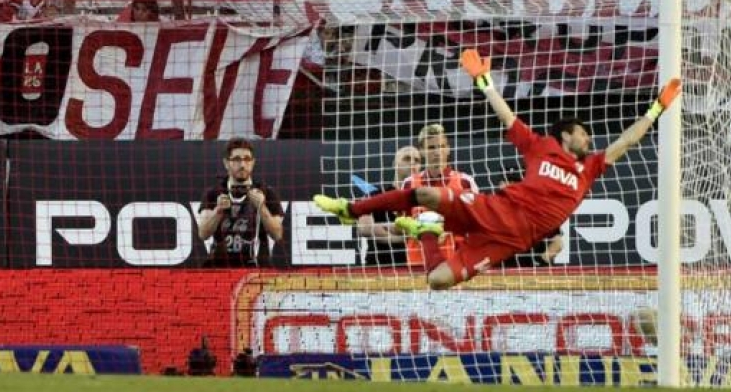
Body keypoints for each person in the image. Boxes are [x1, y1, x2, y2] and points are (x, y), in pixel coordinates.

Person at [315, 48, 681, 290]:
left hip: (509, 242)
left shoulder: (590, 169)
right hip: (495, 208)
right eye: (583, 134)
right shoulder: (541, 147)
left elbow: (626, 141)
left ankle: (426, 231)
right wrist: (484, 81)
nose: (589, 140)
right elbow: (507, 116)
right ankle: (351, 208)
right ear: (567, 135)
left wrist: (656, 110)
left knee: (438, 281)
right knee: (423, 193)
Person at [197, 138, 284, 267]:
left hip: (256, 268)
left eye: (247, 159)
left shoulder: (267, 192)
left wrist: (262, 208)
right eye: (236, 159)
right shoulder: (214, 193)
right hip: (220, 267)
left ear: (253, 162)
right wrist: (218, 211)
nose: (242, 164)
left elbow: (277, 235)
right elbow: (203, 234)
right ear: (226, 163)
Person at [356, 145, 422, 267]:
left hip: (416, 269)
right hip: (380, 269)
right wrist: (409, 237)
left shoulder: (424, 198)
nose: (412, 163)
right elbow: (365, 228)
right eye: (407, 158)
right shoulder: (374, 196)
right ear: (394, 164)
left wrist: (386, 230)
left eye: (417, 160)